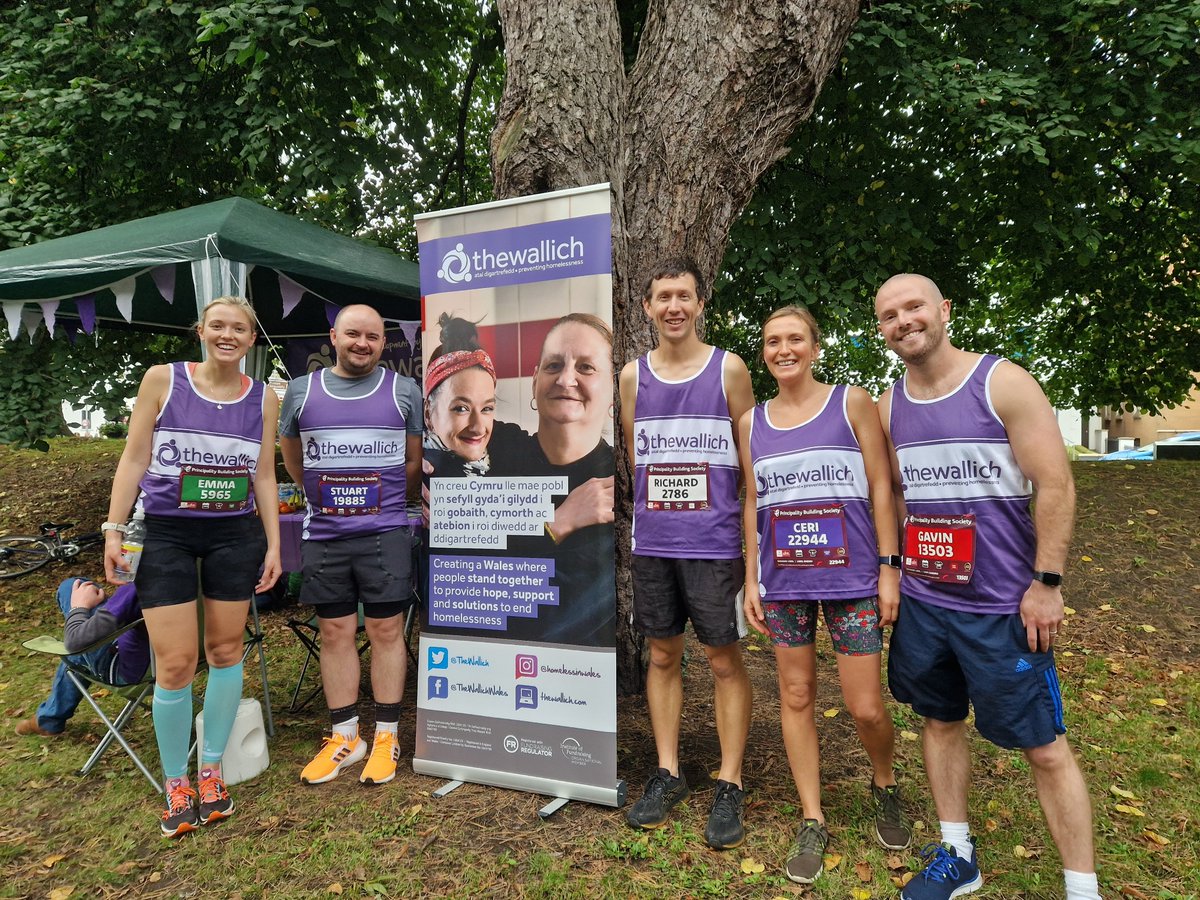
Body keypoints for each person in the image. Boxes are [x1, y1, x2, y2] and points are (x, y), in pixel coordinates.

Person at [874, 274, 1100, 900]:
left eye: (914, 306)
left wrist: (1046, 583)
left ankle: (1083, 890)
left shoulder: (1001, 383)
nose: (904, 321)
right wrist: (892, 565)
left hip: (1004, 607)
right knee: (939, 720)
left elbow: (1054, 484)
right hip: (927, 602)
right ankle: (958, 852)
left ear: (944, 310)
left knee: (1045, 748)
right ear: (882, 330)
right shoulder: (890, 407)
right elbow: (893, 492)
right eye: (890, 314)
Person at [739, 305, 910, 882]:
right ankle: (812, 816)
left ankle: (884, 783)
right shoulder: (752, 422)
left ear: (814, 346)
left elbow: (883, 485)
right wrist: (750, 576)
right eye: (772, 341)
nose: (783, 349)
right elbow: (751, 503)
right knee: (795, 693)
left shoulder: (851, 402)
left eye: (794, 339)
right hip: (785, 583)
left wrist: (891, 567)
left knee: (865, 706)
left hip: (853, 580)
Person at [103, 295, 280, 838]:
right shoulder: (163, 379)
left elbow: (264, 475)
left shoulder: (265, 398)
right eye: (218, 326)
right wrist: (113, 527)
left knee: (226, 651)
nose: (228, 335)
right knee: (175, 662)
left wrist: (275, 546)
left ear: (252, 340)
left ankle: (212, 771)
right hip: (167, 534)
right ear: (201, 330)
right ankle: (176, 781)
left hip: (234, 533)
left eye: (240, 329)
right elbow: (134, 457)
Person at [618, 256, 755, 850]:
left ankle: (730, 779)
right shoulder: (631, 377)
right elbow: (635, 458)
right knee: (662, 655)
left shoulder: (730, 369)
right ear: (647, 307)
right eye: (663, 297)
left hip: (715, 545)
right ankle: (668, 771)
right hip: (654, 544)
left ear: (701, 304)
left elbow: (750, 466)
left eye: (684, 296)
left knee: (724, 660)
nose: (674, 306)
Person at [280, 304, 422, 789]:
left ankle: (385, 736)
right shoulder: (301, 392)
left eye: (374, 337)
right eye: (354, 335)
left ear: (384, 342)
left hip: (384, 532)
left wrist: (378, 501)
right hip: (324, 534)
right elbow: (293, 458)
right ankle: (345, 737)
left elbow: (411, 462)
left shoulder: (404, 391)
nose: (363, 344)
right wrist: (323, 494)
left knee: (385, 631)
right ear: (334, 336)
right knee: (336, 632)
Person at [423, 314, 616, 646]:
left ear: (614, 388)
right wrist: (558, 522)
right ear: (535, 380)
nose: (566, 379)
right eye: (553, 366)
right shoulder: (490, 450)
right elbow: (463, 574)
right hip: (477, 666)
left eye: (586, 367)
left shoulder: (618, 480)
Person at [15, 577, 147, 737]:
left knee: (71, 587)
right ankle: (49, 719)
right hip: (179, 671)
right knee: (81, 653)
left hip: (132, 675)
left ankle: (49, 720)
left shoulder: (143, 586)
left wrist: (78, 607)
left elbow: (76, 643)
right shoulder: (183, 580)